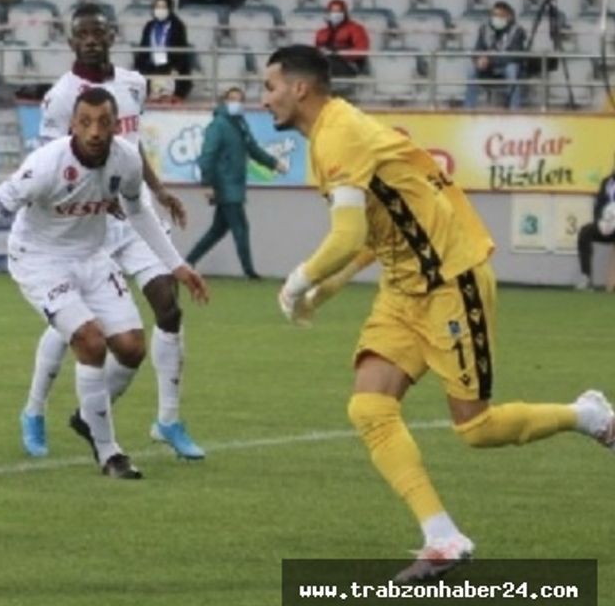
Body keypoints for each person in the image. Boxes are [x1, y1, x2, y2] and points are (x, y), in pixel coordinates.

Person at [263, 45, 615, 582]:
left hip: (452, 280)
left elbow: (349, 233)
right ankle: (443, 537)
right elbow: (373, 235)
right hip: (404, 290)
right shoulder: (328, 137)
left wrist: (300, 278)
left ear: (299, 88)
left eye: (270, 87)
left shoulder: (340, 133)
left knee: (475, 428)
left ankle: (588, 416)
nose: (265, 99)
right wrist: (327, 289)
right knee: (369, 408)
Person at [0, 89, 209, 479]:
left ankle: (88, 417)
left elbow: (137, 212)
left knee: (132, 349)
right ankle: (109, 453)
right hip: (40, 261)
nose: (95, 131)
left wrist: (177, 265)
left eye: (104, 122)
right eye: (85, 122)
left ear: (117, 125)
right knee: (90, 341)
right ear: (72, 124)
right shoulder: (45, 168)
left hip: (92, 256)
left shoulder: (127, 160)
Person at [25, 3, 203, 463]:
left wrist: (159, 191)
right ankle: (35, 409)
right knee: (77, 321)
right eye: (81, 33)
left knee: (168, 303)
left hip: (132, 212)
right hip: (87, 222)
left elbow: (131, 148)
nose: (90, 40)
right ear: (70, 41)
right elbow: (55, 163)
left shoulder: (133, 84)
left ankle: (166, 419)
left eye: (98, 32)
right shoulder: (62, 97)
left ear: (111, 36)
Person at [186, 87, 287, 278]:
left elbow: (253, 149)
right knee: (240, 227)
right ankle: (249, 272)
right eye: (233, 99)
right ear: (224, 101)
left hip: (233, 185)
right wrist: (207, 183)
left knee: (217, 231)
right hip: (226, 186)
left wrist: (273, 163)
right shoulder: (219, 125)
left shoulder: (239, 124)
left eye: (240, 99)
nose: (237, 103)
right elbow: (207, 156)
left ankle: (187, 261)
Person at [464, 1, 527, 110]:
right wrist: (478, 59)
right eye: (494, 15)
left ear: (509, 17)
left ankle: (514, 110)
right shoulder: (485, 29)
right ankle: (468, 109)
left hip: (505, 66)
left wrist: (490, 60)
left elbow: (515, 56)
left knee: (512, 69)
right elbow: (477, 49)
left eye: (500, 16)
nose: (496, 18)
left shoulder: (517, 31)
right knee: (471, 70)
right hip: (487, 67)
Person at [133, 0, 194, 101]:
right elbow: (143, 48)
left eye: (163, 7)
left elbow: (181, 51)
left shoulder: (178, 26)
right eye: (157, 7)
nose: (160, 10)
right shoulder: (149, 25)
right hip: (151, 66)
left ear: (170, 9)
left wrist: (175, 68)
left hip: (171, 67)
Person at [576, 150, 615, 291]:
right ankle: (586, 277)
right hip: (606, 225)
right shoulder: (606, 182)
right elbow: (598, 205)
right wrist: (600, 221)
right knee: (585, 231)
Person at [313, 0, 370, 78]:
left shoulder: (355, 29)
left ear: (345, 13)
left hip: (348, 65)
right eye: (332, 11)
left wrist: (339, 53)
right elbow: (317, 50)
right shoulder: (322, 33)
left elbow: (361, 49)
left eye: (338, 11)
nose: (335, 14)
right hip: (325, 65)